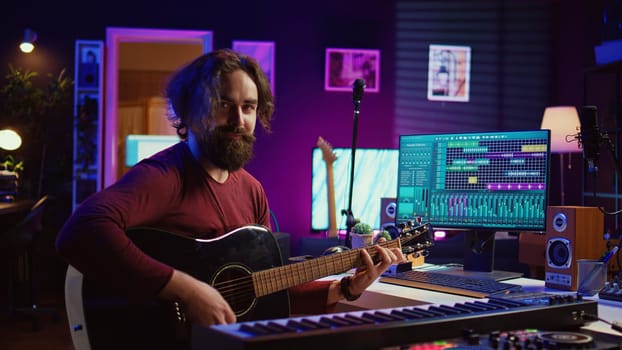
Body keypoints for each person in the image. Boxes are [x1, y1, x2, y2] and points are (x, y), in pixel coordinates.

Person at [56, 49, 403, 334]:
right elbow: (80, 231)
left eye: (249, 107)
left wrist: (345, 288)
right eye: (224, 104)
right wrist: (186, 289)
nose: (239, 119)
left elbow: (267, 292)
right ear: (191, 111)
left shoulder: (252, 191)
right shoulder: (163, 177)